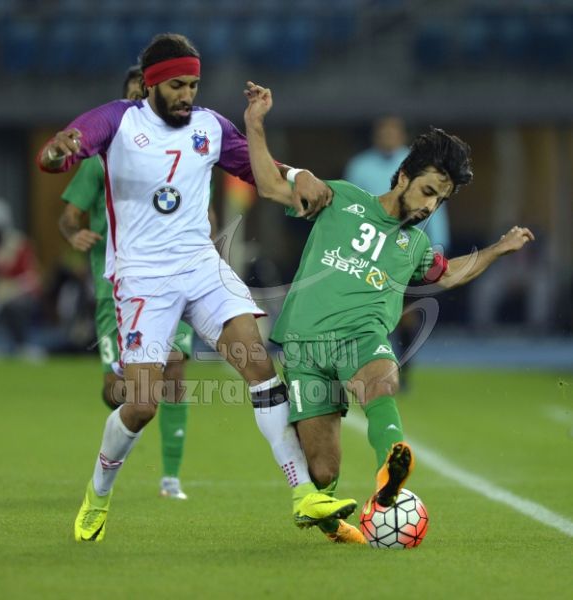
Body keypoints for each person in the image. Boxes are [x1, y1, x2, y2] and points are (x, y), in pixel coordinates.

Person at [38, 33, 355, 542]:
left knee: (258, 365)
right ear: (151, 84)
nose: (187, 95)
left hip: (201, 266)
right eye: (177, 86)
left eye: (193, 85)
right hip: (143, 278)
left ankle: (303, 494)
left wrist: (297, 171)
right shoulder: (119, 120)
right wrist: (57, 153)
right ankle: (98, 494)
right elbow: (66, 148)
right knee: (142, 405)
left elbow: (260, 171)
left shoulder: (210, 126)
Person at [243, 81, 534, 544]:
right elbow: (269, 185)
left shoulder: (415, 244)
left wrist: (499, 248)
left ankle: (389, 473)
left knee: (380, 381)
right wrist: (255, 124)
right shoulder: (340, 199)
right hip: (305, 344)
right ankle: (334, 524)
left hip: (363, 337)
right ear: (402, 178)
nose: (430, 206)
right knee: (323, 471)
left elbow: (448, 275)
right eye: (428, 191)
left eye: (440, 200)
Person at [58, 66, 211, 500]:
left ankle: (170, 478)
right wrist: (74, 234)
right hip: (118, 289)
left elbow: (203, 211)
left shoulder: (182, 155)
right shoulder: (101, 160)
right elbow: (69, 217)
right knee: (120, 393)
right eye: (132, 97)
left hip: (172, 280)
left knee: (174, 371)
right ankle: (120, 439)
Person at [344, 116, 451, 388]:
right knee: (366, 312)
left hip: (408, 250)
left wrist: (438, 244)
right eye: (384, 132)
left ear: (403, 135)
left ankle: (403, 369)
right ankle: (364, 367)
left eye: (393, 132)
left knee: (406, 313)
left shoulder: (423, 166)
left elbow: (435, 207)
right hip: (371, 250)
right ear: (375, 135)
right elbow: (350, 208)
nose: (388, 136)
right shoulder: (359, 167)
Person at [0, 198, 43, 358]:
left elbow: (31, 277)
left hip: (19, 294)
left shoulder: (20, 244)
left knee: (14, 307)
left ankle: (21, 345)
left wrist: (11, 291)